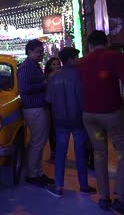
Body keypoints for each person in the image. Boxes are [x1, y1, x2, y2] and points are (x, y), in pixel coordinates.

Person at [78, 30, 124, 212]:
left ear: (89, 45)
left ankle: (104, 197)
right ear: (106, 42)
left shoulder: (82, 62)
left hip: (89, 116)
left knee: (99, 153)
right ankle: (120, 197)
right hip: (111, 113)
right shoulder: (116, 57)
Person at [45, 47, 96, 197]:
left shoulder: (54, 77)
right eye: (76, 57)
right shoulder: (81, 75)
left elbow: (47, 98)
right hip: (79, 119)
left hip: (60, 120)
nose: (78, 59)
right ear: (71, 59)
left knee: (60, 153)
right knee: (80, 152)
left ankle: (58, 186)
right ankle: (84, 185)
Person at [18, 39, 55, 187]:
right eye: (39, 51)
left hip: (37, 107)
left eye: (42, 50)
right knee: (37, 142)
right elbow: (24, 89)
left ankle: (37, 172)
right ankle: (32, 174)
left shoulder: (33, 66)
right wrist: (44, 83)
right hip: (33, 108)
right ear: (29, 52)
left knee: (39, 142)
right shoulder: (26, 67)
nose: (42, 54)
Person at [44, 57, 61, 161]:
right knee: (53, 129)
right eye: (54, 64)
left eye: (58, 64)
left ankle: (57, 150)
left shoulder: (61, 75)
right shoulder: (49, 76)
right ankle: (54, 152)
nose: (56, 66)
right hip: (51, 105)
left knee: (58, 128)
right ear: (49, 66)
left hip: (59, 104)